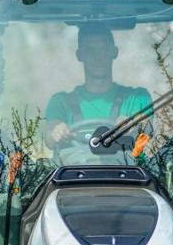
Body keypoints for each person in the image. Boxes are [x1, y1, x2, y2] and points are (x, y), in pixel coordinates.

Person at [42, 24, 153, 158]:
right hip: (72, 179)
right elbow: (50, 135)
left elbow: (146, 127)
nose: (98, 57)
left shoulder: (137, 98)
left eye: (104, 49)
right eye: (90, 51)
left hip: (129, 178)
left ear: (114, 52)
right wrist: (57, 132)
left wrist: (133, 125)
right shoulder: (61, 102)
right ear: (79, 55)